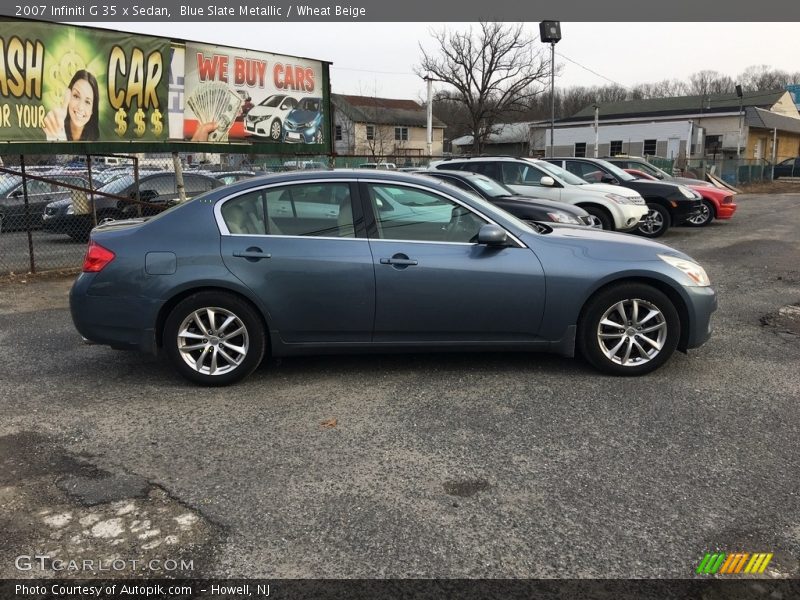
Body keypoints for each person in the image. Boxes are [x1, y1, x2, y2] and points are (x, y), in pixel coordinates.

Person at [42, 70, 100, 141]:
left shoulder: (98, 143)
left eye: (87, 102)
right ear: (68, 96)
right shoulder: (58, 124)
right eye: (76, 96)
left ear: (92, 110)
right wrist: (52, 125)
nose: (80, 107)